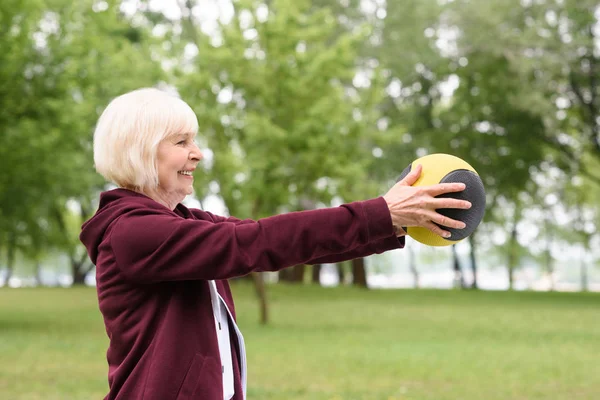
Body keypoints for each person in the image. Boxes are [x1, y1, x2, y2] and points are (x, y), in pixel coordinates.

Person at [80, 88, 471, 400]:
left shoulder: (184, 223)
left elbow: (282, 245)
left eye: (194, 141)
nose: (197, 154)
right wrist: (380, 213)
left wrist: (392, 225)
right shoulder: (132, 233)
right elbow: (255, 242)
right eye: (182, 142)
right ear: (141, 152)